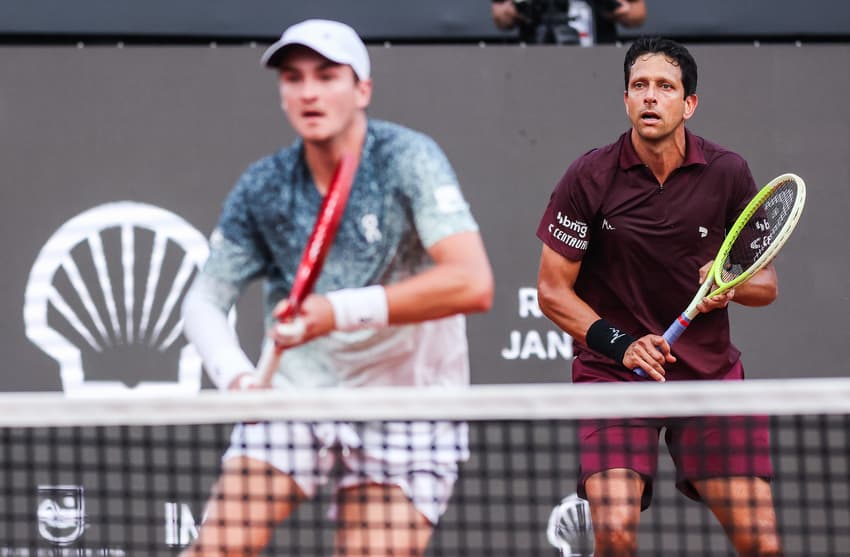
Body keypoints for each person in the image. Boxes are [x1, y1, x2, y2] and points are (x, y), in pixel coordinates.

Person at [179, 18, 494, 557]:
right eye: (293, 78)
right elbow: (205, 301)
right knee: (214, 552)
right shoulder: (265, 186)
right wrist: (236, 379)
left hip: (407, 406)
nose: (308, 92)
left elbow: (473, 282)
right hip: (298, 396)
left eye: (326, 76)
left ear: (362, 88)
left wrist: (338, 310)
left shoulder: (406, 159)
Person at [535, 37, 783, 556]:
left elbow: (766, 287)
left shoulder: (728, 172)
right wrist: (621, 344)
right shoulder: (588, 177)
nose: (651, 97)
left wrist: (729, 283)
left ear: (688, 103)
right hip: (614, 372)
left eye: (665, 87)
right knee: (617, 529)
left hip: (707, 375)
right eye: (639, 86)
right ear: (625, 100)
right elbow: (553, 292)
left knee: (761, 541)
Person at [490, 0, 646, 45]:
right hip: (535, 55)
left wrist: (619, 10)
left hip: (597, 57)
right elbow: (500, 17)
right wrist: (514, 10)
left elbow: (637, 12)